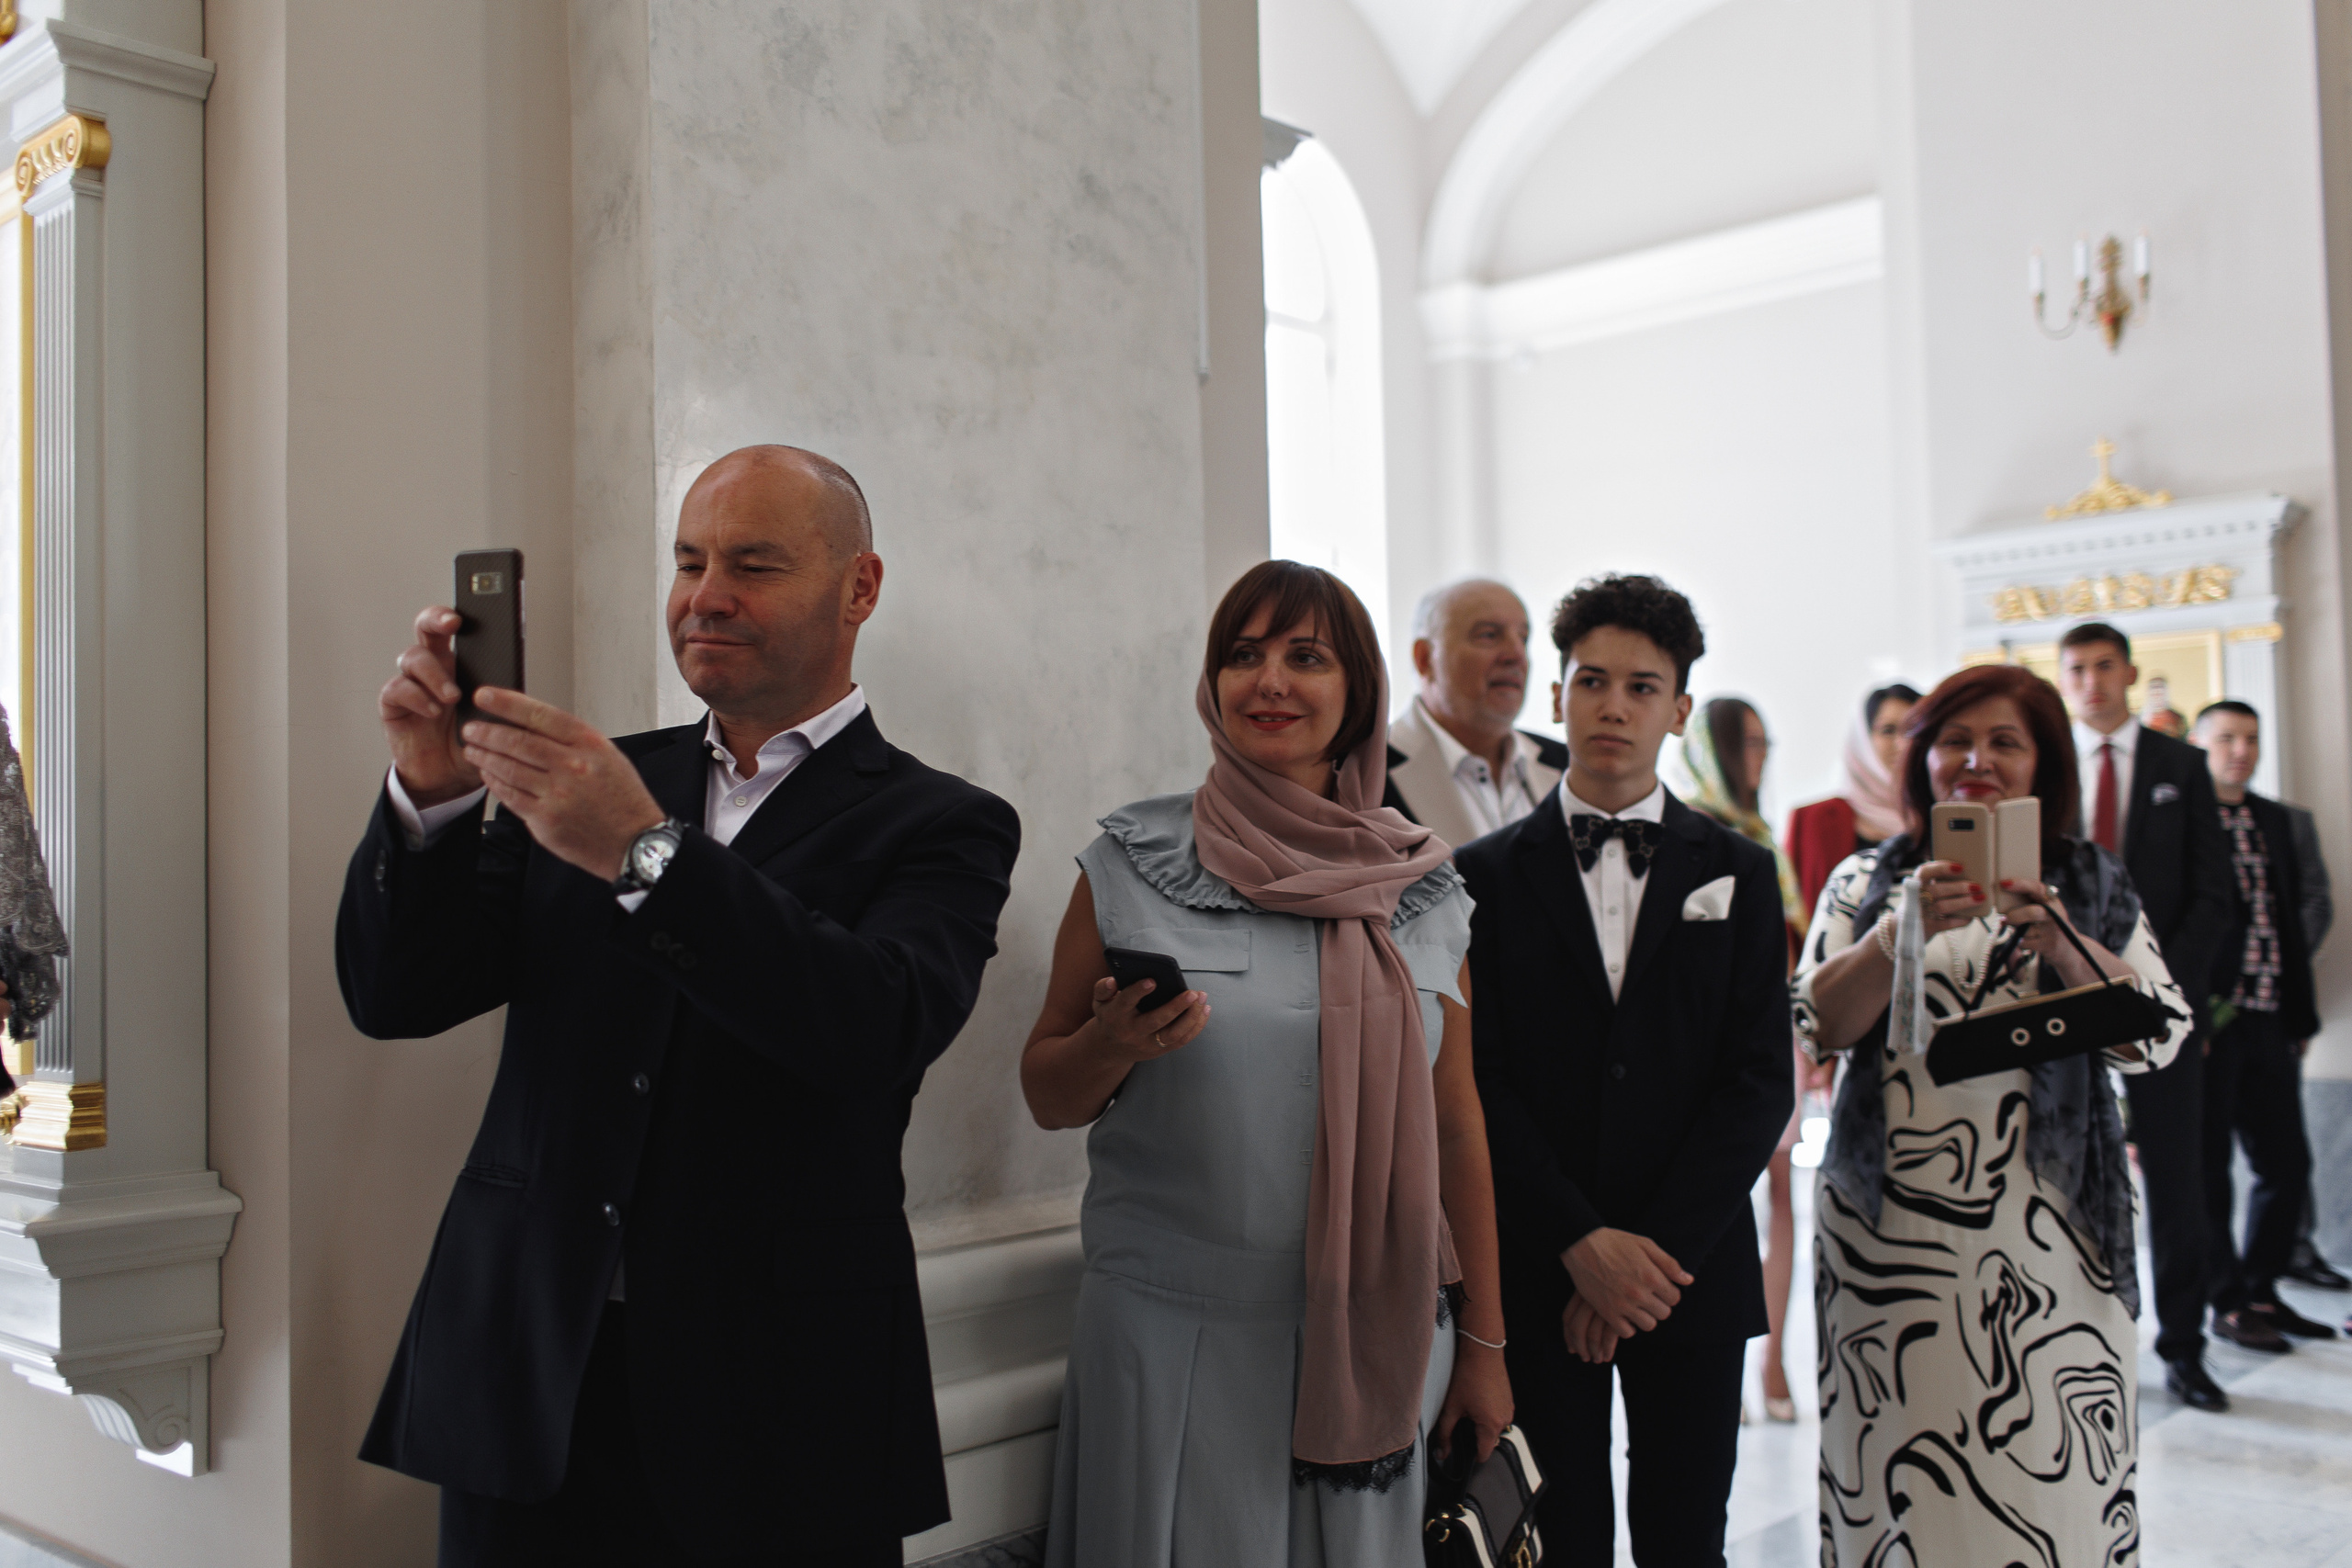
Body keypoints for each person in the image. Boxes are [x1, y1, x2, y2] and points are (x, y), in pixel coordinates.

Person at [337, 446, 1022, 1566]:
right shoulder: (598, 776)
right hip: (533, 1374)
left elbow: (874, 1029)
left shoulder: (943, 822)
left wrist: (643, 854)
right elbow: (396, 994)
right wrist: (430, 797)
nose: (706, 596)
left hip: (777, 1405)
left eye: (752, 563)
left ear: (860, 588)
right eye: (689, 561)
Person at [1025, 560, 1511, 1568]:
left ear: (1358, 689)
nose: (1269, 682)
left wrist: (1485, 1347)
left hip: (1375, 1339)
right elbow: (1046, 1093)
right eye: (1241, 656)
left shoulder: (1422, 886)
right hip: (1171, 1342)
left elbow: (1457, 1124)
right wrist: (1112, 1044)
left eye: (1306, 656)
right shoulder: (1131, 864)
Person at [1792, 663, 2191, 1568]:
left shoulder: (2089, 882)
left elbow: (2157, 1034)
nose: (1976, 761)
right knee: (1896, 1463)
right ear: (1921, 757)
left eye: (2003, 742)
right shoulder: (1865, 878)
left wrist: (2057, 934)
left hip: (2053, 1241)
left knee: (2051, 1476)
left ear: (2041, 762)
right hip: (1888, 1242)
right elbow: (1816, 1023)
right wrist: (1896, 935)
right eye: (1953, 741)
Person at [1456, 574, 1792, 1566]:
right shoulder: (1478, 876)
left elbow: (1755, 1082)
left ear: (1678, 709)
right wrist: (1579, 1244)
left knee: (1689, 1537)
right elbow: (1479, 1079)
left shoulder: (1736, 870)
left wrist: (1645, 1262)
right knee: (1559, 1542)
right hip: (1533, 1261)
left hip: (1687, 1267)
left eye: (1642, 687)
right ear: (1557, 693)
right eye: (1591, 680)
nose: (1613, 705)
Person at [2057, 620, 2234, 1411]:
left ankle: (2186, 1346)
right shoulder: (2049, 765)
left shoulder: (2180, 766)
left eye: (2103, 666)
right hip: (2061, 1004)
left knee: (2179, 1179)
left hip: (2158, 1009)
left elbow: (2212, 893)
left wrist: (2166, 998)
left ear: (2129, 671)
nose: (2092, 681)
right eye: (2077, 669)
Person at [1674, 696, 1809, 1425]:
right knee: (1719, 1201)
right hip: (1708, 1048)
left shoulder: (1763, 838)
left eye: (1765, 741)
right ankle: (1722, 1349)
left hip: (1772, 1032)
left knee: (1782, 1198)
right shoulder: (1688, 831)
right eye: (1747, 742)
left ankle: (1775, 1356)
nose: (1759, 756)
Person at [2188, 700, 2335, 1345]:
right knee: (2211, 1166)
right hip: (2210, 1025)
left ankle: (2262, 1289)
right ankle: (2225, 1300)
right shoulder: (2184, 822)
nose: (2240, 749)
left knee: (2286, 1164)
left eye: (2250, 737)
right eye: (2226, 737)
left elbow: (2303, 905)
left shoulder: (2277, 819)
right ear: (2199, 745)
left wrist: (2296, 1010)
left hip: (2273, 1017)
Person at [1383, 578, 1566, 846]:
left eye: (1523, 638)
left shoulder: (1566, 764)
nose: (1516, 655)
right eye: (1489, 635)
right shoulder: (1364, 771)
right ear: (1425, 658)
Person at [1785, 683, 1919, 918]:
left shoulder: (1938, 819)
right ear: (1864, 739)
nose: (1901, 743)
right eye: (1888, 730)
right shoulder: (1812, 820)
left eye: (1911, 731)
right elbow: (1791, 916)